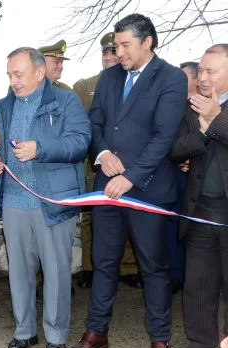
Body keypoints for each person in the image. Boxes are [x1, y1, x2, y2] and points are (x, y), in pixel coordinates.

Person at [66, 14, 188, 348]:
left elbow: (164, 136)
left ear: (147, 41)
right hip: (107, 187)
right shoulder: (108, 77)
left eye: (124, 45)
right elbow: (97, 123)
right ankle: (96, 332)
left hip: (147, 190)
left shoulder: (171, 78)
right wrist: (102, 155)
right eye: (116, 46)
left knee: (154, 267)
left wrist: (130, 177)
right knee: (104, 262)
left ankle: (160, 341)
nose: (118, 52)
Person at [0, 47, 91, 348]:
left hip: (52, 203)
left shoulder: (65, 101)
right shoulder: (1, 108)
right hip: (14, 203)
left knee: (56, 272)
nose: (13, 81)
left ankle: (56, 337)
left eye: (19, 74)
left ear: (40, 72)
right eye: (10, 75)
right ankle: (24, 331)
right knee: (19, 272)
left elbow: (80, 142)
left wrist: (40, 148)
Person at [169, 44, 228, 348]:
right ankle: (200, 347)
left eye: (211, 71)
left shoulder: (211, 109)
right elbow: (177, 150)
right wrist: (204, 131)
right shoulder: (192, 107)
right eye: (201, 71)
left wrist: (215, 119)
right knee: (198, 285)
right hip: (200, 212)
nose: (202, 78)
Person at [73, 32, 142, 290]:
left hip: (129, 164)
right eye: (106, 53)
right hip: (97, 161)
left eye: (114, 51)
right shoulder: (85, 85)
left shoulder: (136, 83)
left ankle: (127, 267)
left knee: (129, 209)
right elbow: (81, 125)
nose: (110, 56)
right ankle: (91, 268)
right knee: (94, 214)